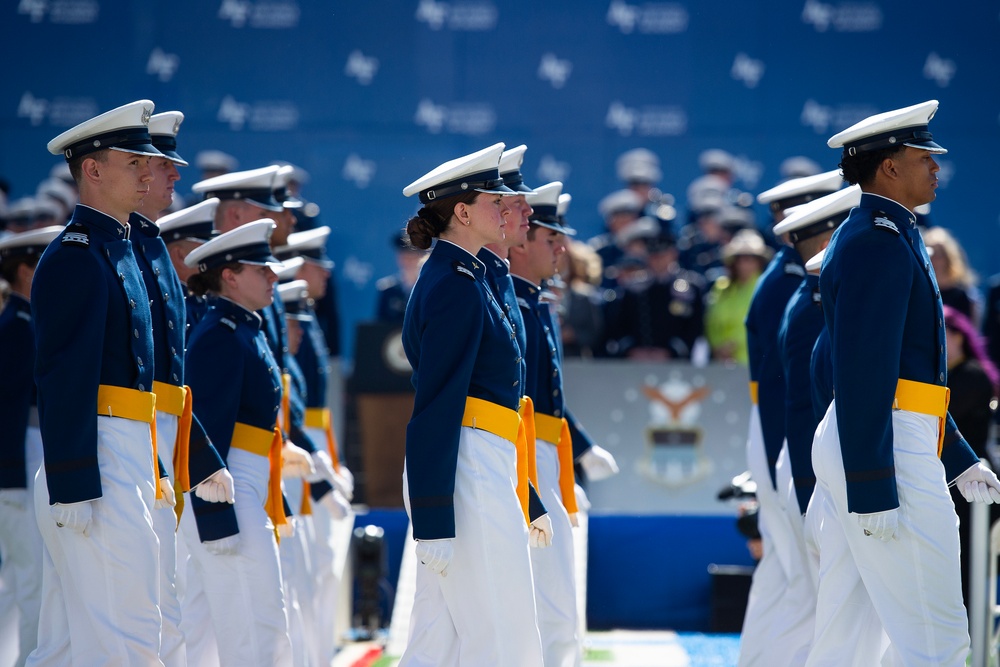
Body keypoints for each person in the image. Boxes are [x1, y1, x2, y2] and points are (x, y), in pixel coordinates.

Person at [807, 99, 1000, 666]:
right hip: (884, 447)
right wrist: (871, 482)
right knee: (937, 639)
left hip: (882, 438)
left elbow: (908, 378)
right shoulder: (877, 239)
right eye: (924, 157)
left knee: (848, 638)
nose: (936, 168)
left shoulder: (887, 233)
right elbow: (863, 369)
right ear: (888, 167)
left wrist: (959, 457)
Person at [398, 143, 551, 667]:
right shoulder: (455, 285)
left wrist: (523, 491)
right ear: (462, 212)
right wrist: (434, 518)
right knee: (501, 635)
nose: (509, 208)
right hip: (463, 469)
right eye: (495, 200)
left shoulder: (469, 277)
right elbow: (439, 406)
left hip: (476, 463)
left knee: (437, 641)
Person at [30, 99, 165, 665]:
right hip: (99, 455)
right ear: (92, 170)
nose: (146, 174)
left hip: (124, 447)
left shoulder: (120, 248)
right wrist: (73, 480)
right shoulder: (76, 257)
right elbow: (64, 374)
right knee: (125, 636)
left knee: (68, 644)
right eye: (132, 162)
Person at [134, 110, 237, 667]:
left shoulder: (143, 251)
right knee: (139, 611)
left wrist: (200, 459)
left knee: (163, 604)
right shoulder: (122, 252)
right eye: (161, 166)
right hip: (124, 448)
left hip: (161, 447)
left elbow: (171, 387)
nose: (176, 176)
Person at [183, 219, 294, 666]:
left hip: (247, 478)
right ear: (229, 275)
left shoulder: (245, 327)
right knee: (254, 615)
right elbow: (204, 429)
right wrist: (214, 519)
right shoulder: (220, 334)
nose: (274, 276)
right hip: (229, 486)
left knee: (244, 614)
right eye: (260, 269)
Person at [769, 185, 862, 664]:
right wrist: (809, 496)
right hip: (819, 470)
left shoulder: (813, 297)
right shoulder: (812, 307)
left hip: (816, 468)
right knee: (824, 609)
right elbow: (805, 409)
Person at [511, 181, 589, 667]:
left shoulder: (534, 302)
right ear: (521, 242)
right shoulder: (516, 305)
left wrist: (577, 448)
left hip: (538, 456)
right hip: (523, 459)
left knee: (555, 598)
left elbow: (549, 404)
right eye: (549, 237)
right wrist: (530, 488)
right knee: (549, 601)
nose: (561, 247)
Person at [0, 226, 63, 666]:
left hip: (29, 455)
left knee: (37, 583)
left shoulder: (28, 323)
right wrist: (12, 483)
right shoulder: (16, 328)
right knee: (33, 584)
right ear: (25, 271)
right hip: (18, 465)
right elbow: (7, 409)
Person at [942, 305, 999, 617]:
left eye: (943, 333)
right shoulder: (948, 375)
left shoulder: (973, 376)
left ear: (959, 336)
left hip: (975, 484)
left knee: (971, 571)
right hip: (954, 484)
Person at [604, 226, 707, 362]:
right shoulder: (633, 287)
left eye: (662, 255)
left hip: (677, 362)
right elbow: (619, 325)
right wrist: (631, 349)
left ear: (673, 254)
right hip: (638, 360)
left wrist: (673, 351)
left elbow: (696, 326)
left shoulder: (690, 287)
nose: (657, 260)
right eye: (653, 256)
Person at [157, 197, 221, 339]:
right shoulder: (167, 309)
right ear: (181, 256)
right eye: (206, 252)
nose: (214, 260)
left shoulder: (198, 303)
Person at [704, 229, 771, 365]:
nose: (744, 264)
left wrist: (735, 345)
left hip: (752, 363)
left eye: (750, 259)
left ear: (759, 262)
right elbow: (710, 322)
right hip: (720, 362)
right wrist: (717, 347)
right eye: (740, 259)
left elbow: (764, 326)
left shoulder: (766, 288)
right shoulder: (720, 287)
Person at [923, 226, 980, 324]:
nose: (934, 260)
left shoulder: (963, 296)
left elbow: (970, 332)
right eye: (930, 255)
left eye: (939, 255)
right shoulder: (921, 291)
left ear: (948, 257)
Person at [375, 231, 426, 325]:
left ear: (422, 257)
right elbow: (379, 327)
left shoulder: (429, 287)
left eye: (413, 256)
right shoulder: (387, 289)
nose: (408, 261)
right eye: (404, 256)